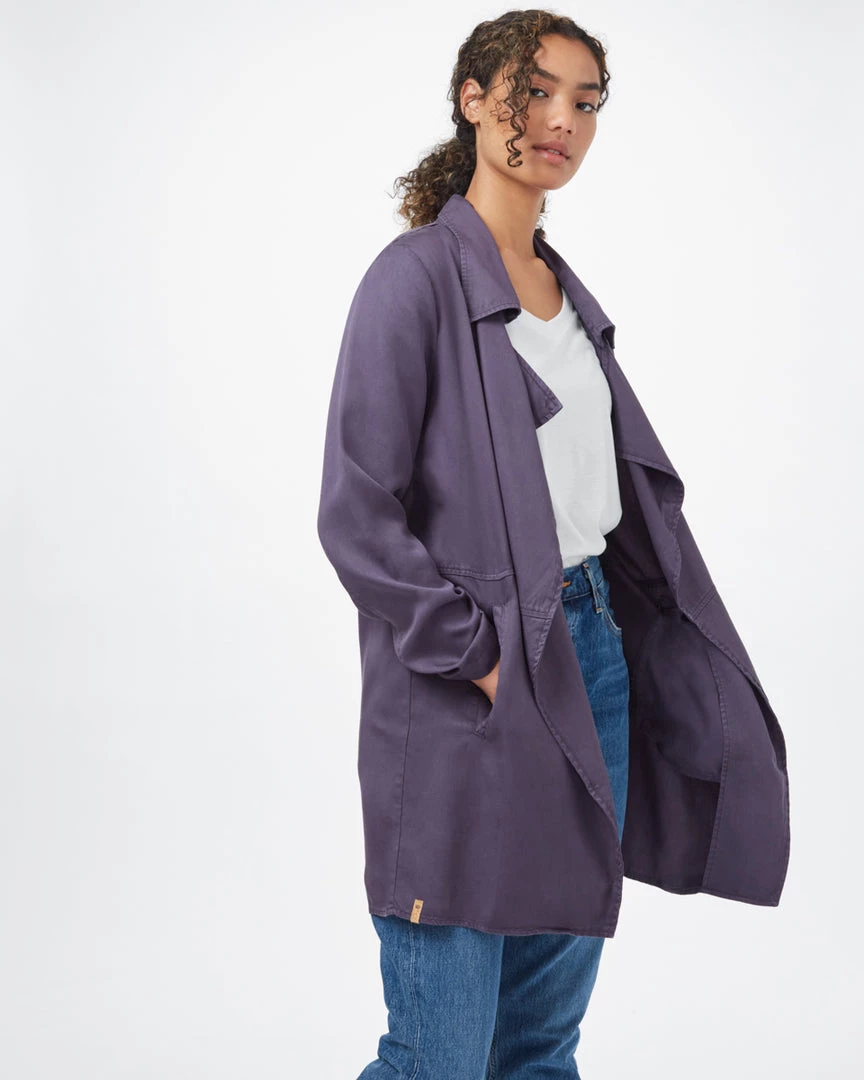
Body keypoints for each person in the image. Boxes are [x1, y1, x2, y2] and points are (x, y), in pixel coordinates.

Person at [317, 8, 789, 1079]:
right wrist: (475, 653)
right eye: (533, 91)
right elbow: (356, 511)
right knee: (438, 1055)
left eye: (584, 101)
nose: (560, 120)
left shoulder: (566, 292)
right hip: (474, 678)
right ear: (473, 99)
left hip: (592, 662)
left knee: (538, 1046)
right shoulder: (415, 279)